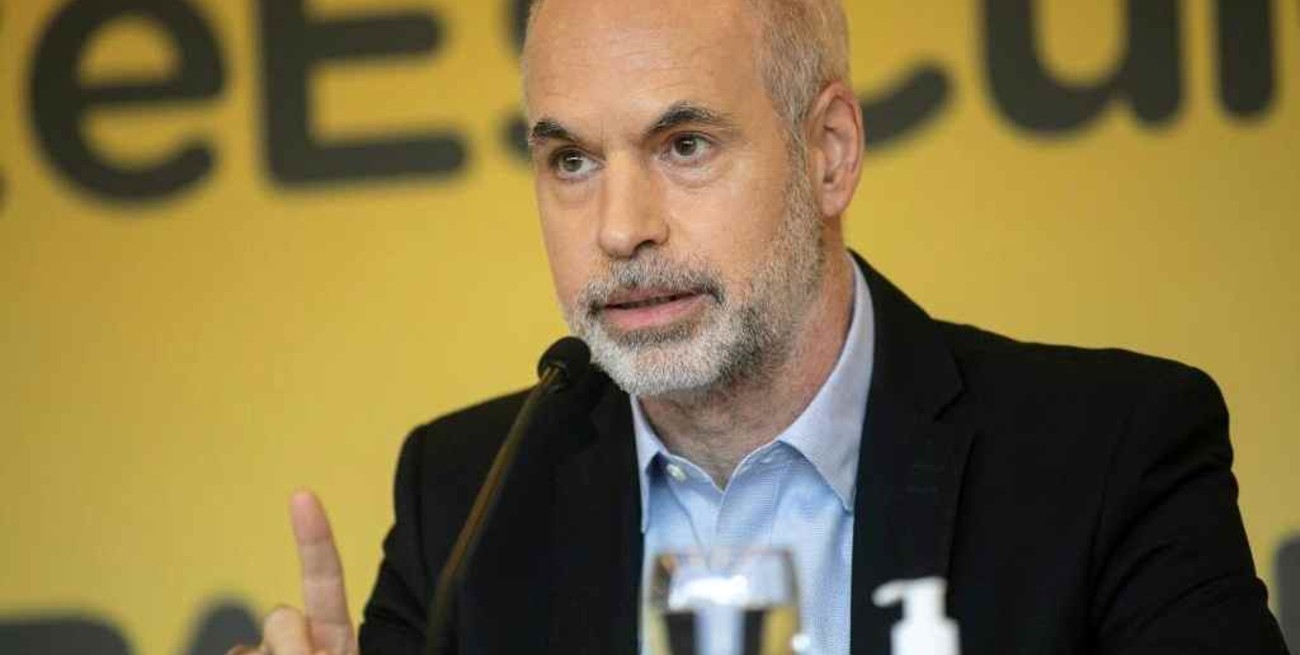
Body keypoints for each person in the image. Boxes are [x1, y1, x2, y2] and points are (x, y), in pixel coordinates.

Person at [230, 0, 1290, 653]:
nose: (620, 229)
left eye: (685, 145)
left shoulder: (1108, 454)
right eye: (572, 161)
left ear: (829, 153)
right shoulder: (466, 498)